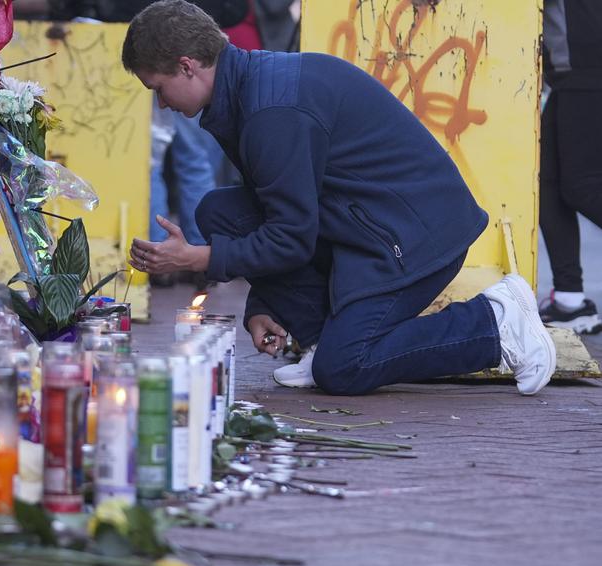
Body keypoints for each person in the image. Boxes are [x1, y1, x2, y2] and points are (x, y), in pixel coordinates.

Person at [123, 0, 557, 395]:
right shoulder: (248, 89)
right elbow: (281, 214)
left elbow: (290, 237)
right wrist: (264, 306)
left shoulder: (270, 112)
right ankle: (317, 340)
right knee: (219, 210)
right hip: (368, 225)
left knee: (345, 367)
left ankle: (496, 324)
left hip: (417, 238)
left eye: (157, 88)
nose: (160, 105)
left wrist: (196, 258)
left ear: (187, 67)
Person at [538, 0, 602, 335]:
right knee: (544, 181)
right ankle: (569, 300)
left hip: (586, 66)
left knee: (582, 185)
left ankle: (570, 299)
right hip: (571, 72)